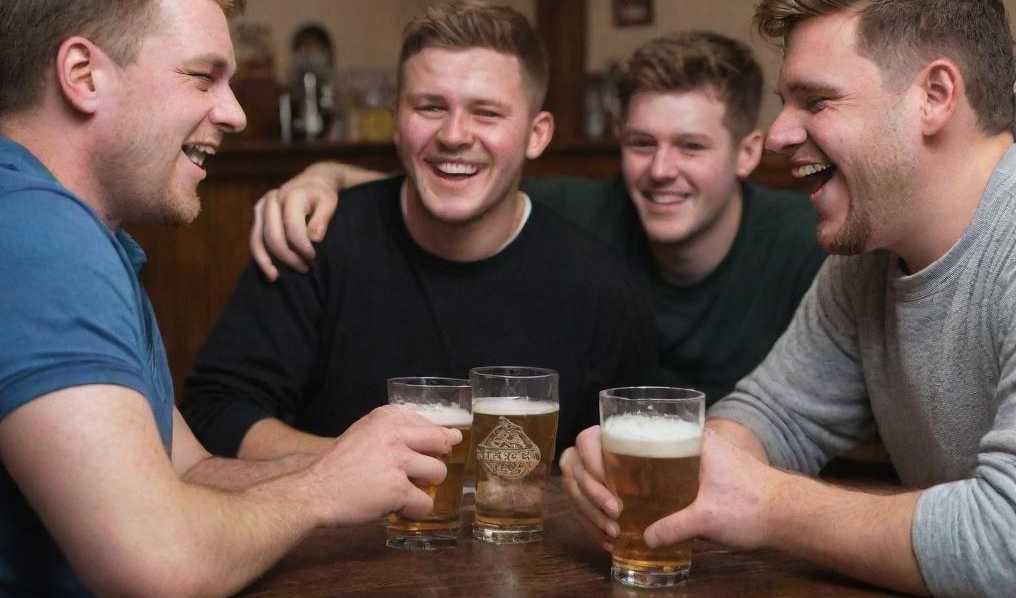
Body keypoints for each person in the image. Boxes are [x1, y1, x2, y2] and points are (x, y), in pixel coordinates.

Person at [0, 0, 461, 598]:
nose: (236, 113)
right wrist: (319, 493)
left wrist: (356, 471)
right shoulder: (37, 239)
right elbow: (153, 563)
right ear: (82, 73)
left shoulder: (69, 230)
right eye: (204, 77)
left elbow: (192, 472)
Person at [561, 0, 1016, 598]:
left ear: (935, 95)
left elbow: (1006, 542)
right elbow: (777, 416)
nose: (777, 134)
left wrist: (765, 505)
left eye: (815, 100)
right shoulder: (869, 251)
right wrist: (674, 472)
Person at [181, 0, 655, 461]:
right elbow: (216, 411)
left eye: (486, 112)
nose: (453, 135)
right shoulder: (318, 242)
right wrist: (352, 464)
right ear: (396, 123)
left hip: (526, 539)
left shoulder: (600, 286)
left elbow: (626, 456)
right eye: (430, 107)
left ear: (537, 135)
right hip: (342, 538)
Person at [248, 31, 825, 402]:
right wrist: (322, 176)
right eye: (642, 143)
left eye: (692, 147)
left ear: (748, 153)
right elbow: (458, 187)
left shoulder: (806, 243)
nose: (660, 171)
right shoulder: (584, 212)